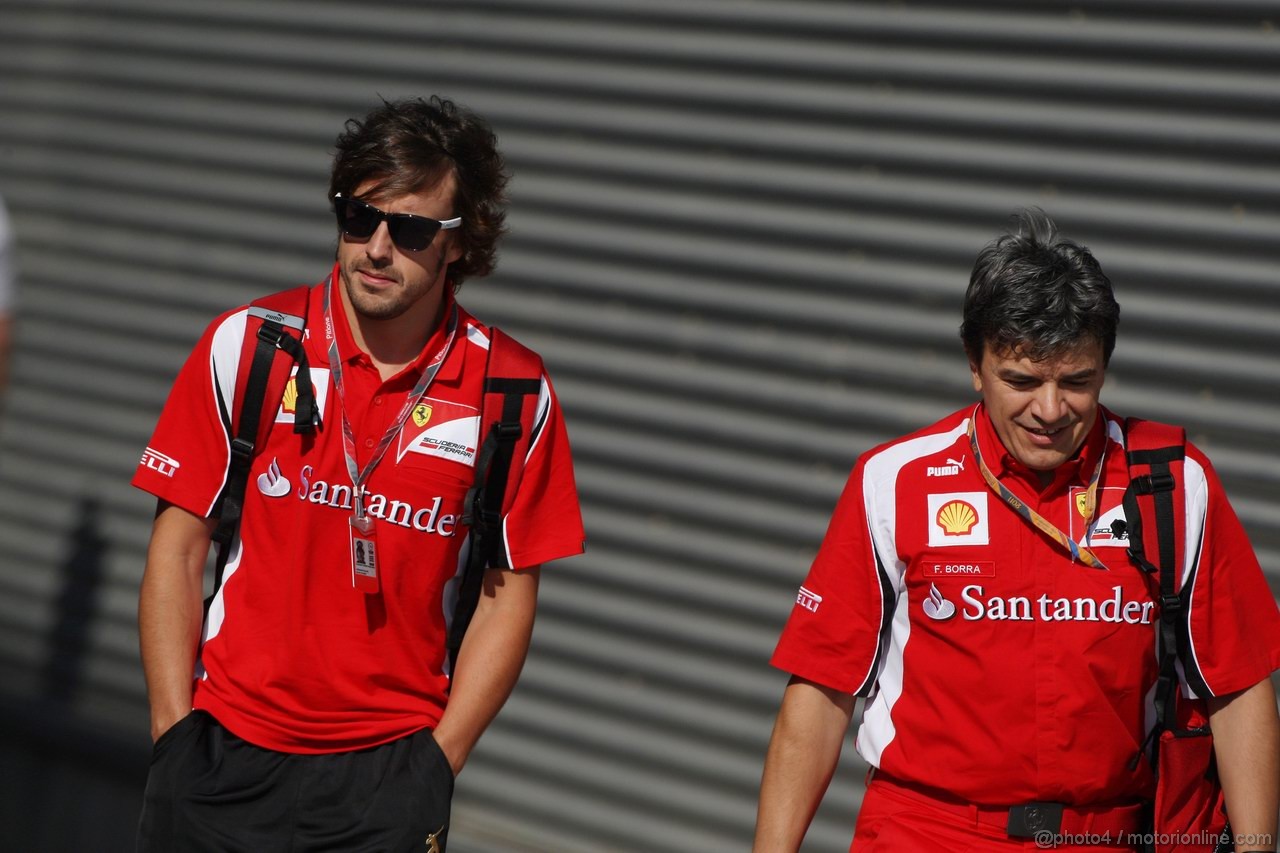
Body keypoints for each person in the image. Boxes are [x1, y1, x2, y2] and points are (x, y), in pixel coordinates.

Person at [133, 96, 585, 851]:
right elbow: (175, 550)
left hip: (386, 778)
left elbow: (509, 598)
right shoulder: (249, 346)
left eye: (408, 229)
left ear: (459, 246)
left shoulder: (511, 390)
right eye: (357, 216)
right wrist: (172, 733)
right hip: (218, 757)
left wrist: (439, 763)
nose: (376, 248)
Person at [754, 209, 1280, 852]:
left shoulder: (1174, 484)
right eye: (1022, 381)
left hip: (1109, 834)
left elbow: (1238, 688)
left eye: (1077, 382)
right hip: (928, 832)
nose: (1051, 410)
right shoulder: (894, 481)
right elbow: (820, 691)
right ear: (975, 366)